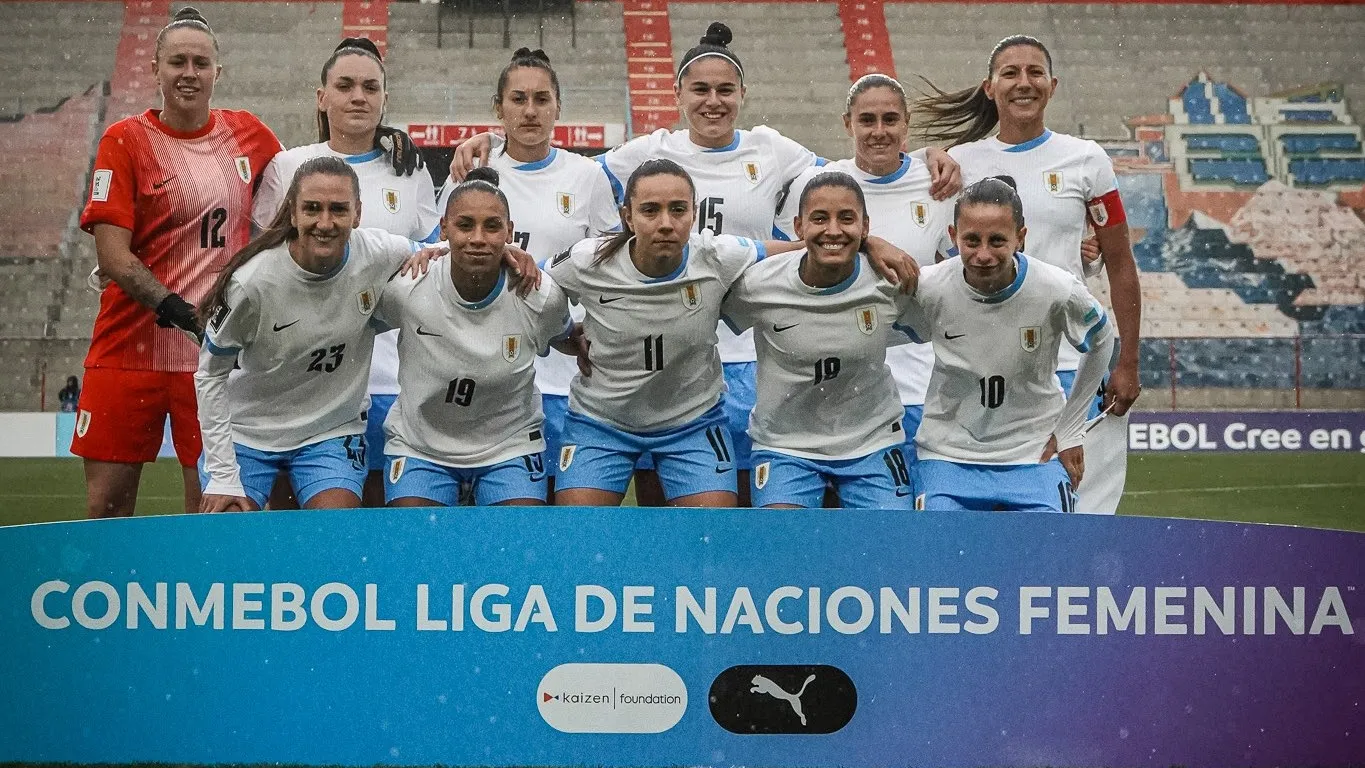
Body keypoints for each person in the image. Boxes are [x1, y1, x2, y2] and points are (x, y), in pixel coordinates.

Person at [452, 22, 960, 506]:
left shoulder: (773, 149)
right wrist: (493, 143)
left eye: (725, 90)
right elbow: (558, 164)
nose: (713, 101)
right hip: (681, 341)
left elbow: (851, 185)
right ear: (678, 97)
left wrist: (920, 163)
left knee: (737, 500)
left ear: (743, 95)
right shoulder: (651, 151)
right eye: (699, 89)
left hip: (756, 344)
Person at [545, 160, 916, 508]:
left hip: (691, 423)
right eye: (649, 210)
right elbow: (534, 286)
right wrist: (562, 333)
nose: (665, 223)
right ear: (627, 216)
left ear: (694, 212)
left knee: (714, 538)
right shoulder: (588, 260)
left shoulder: (716, 256)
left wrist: (869, 242)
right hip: (601, 421)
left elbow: (803, 246)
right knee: (581, 532)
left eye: (678, 209)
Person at [913, 34, 1141, 514]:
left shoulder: (1087, 160)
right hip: (994, 363)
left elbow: (1120, 262)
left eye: (1035, 72)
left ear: (1052, 85)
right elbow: (940, 259)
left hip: (1069, 363)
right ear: (989, 86)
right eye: (1010, 73)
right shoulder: (962, 162)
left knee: (1082, 514)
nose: (1024, 82)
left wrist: (1129, 361)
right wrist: (930, 152)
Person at [74, 7, 281, 518]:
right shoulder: (124, 140)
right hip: (129, 348)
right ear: (155, 69)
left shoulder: (249, 135)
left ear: (218, 72)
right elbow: (113, 257)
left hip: (212, 359)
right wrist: (179, 310)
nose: (190, 73)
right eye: (178, 62)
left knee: (212, 516)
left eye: (201, 63)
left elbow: (305, 192)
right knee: (106, 514)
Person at [194, 157, 450, 512]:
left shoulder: (378, 251)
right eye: (312, 209)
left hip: (328, 432)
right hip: (248, 434)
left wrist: (512, 255)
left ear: (357, 213)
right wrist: (223, 474)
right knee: (231, 542)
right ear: (294, 213)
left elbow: (451, 252)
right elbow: (209, 374)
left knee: (334, 534)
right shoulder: (253, 283)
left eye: (338, 209)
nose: (325, 223)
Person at [252, 37, 438, 508]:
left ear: (384, 100)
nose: (359, 96)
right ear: (322, 97)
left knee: (373, 527)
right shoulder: (288, 166)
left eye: (370, 87)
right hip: (303, 384)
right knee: (290, 529)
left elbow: (432, 261)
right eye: (346, 85)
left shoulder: (409, 170)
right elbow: (265, 264)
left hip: (395, 375)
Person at [436, 48, 617, 501]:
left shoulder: (586, 175)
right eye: (518, 99)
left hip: (562, 368)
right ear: (498, 108)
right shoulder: (471, 173)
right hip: (482, 365)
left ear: (559, 105)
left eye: (542, 98)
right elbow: (438, 255)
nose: (530, 110)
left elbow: (611, 267)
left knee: (555, 518)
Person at [896, 177, 1115, 513]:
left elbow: (1102, 338)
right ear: (954, 237)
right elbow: (874, 335)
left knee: (1048, 556)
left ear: (1020, 239)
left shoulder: (1055, 288)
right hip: (948, 455)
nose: (983, 255)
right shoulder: (930, 286)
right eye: (971, 240)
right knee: (940, 554)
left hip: (1033, 453)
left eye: (997, 241)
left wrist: (1071, 430)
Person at [777, 75, 955, 487]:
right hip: (838, 386)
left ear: (907, 124)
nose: (879, 132)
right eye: (867, 120)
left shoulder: (940, 185)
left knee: (916, 522)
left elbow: (961, 273)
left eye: (890, 119)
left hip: (921, 385)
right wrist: (869, 243)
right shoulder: (817, 184)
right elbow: (793, 259)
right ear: (847, 123)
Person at [377, 168, 572, 506]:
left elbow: (566, 335)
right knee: (417, 551)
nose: (478, 238)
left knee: (515, 551)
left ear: (509, 232)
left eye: (492, 226)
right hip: (420, 446)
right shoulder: (408, 287)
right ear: (443, 229)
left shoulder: (539, 296)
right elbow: (357, 324)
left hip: (510, 445)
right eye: (465, 225)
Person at [723, 172, 913, 508]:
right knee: (783, 551)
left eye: (847, 218)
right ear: (798, 226)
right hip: (785, 446)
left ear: (866, 226)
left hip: (871, 443)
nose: (834, 230)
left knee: (890, 550)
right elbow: (696, 309)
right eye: (820, 218)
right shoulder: (758, 285)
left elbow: (959, 307)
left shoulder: (890, 282)